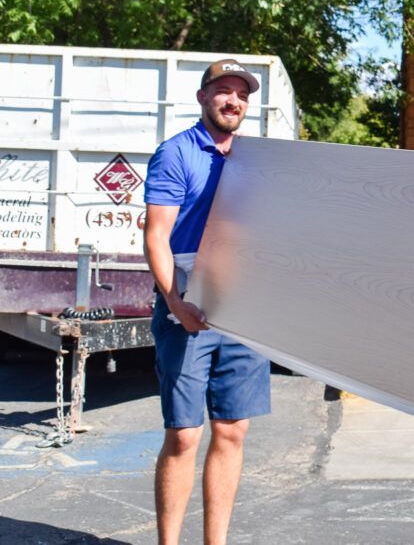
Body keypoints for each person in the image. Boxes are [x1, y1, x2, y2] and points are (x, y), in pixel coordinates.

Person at [143, 59, 271, 545]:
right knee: (183, 435)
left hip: (245, 310)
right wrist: (175, 303)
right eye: (223, 91)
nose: (232, 100)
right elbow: (156, 236)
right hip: (189, 308)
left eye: (241, 93)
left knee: (233, 431)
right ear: (203, 97)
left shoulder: (261, 160)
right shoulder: (176, 153)